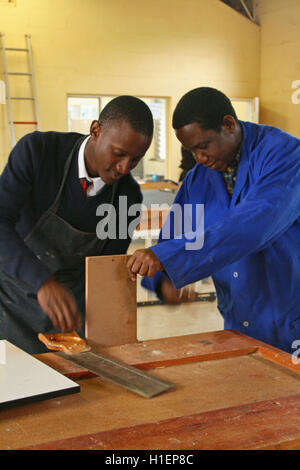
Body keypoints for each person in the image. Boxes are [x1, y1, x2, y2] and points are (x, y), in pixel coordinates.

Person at [127, 87, 300, 354]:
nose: (199, 158)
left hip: (291, 321)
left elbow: (254, 225)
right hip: (239, 323)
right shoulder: (199, 179)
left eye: (203, 146)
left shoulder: (284, 155)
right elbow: (172, 238)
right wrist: (163, 280)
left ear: (228, 125)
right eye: (191, 151)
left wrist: (170, 257)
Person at [0, 95, 153, 354]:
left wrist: (116, 332)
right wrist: (43, 283)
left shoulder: (127, 197)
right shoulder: (38, 153)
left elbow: (108, 269)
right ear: (96, 131)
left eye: (135, 160)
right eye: (119, 153)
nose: (125, 167)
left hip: (70, 313)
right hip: (12, 302)